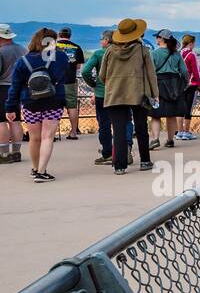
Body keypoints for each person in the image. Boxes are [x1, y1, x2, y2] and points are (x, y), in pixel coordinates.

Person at [4, 27, 72, 181]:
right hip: (54, 101)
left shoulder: (23, 61)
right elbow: (66, 75)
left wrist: (10, 107)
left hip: (30, 102)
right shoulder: (60, 57)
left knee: (34, 138)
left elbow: (15, 86)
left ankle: (35, 168)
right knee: (47, 137)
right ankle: (42, 171)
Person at [100, 18, 158, 176]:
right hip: (138, 93)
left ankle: (119, 166)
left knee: (118, 130)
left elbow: (102, 75)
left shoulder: (110, 51)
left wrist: (114, 84)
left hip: (115, 94)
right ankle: (145, 160)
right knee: (141, 128)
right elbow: (151, 74)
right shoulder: (142, 50)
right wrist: (154, 94)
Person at [82, 29, 121, 165]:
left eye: (101, 39)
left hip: (101, 93)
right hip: (119, 93)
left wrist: (94, 84)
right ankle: (122, 150)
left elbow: (85, 71)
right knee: (120, 123)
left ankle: (107, 152)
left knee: (104, 125)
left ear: (106, 40)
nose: (100, 42)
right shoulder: (120, 52)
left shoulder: (98, 54)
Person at [149, 29, 186, 148]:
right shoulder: (176, 54)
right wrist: (183, 85)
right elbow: (184, 72)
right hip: (174, 85)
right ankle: (170, 140)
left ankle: (155, 139)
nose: (156, 39)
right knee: (171, 114)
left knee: (156, 114)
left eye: (157, 37)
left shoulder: (154, 54)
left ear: (161, 39)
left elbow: (150, 72)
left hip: (158, 85)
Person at [56, 27, 86, 140]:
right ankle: (73, 132)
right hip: (70, 80)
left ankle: (52, 133)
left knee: (53, 108)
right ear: (70, 35)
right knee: (72, 106)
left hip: (56, 82)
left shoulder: (53, 47)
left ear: (59, 35)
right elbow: (78, 66)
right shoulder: (77, 47)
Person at [0, 24, 23, 164]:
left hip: (2, 88)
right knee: (15, 120)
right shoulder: (23, 50)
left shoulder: (1, 52)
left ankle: (3, 154)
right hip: (18, 88)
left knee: (1, 121)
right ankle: (16, 152)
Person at [177, 34, 200, 140]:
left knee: (180, 108)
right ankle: (186, 132)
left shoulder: (179, 54)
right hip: (191, 84)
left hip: (180, 84)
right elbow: (195, 71)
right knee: (188, 107)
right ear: (191, 43)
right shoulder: (191, 55)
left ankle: (180, 131)